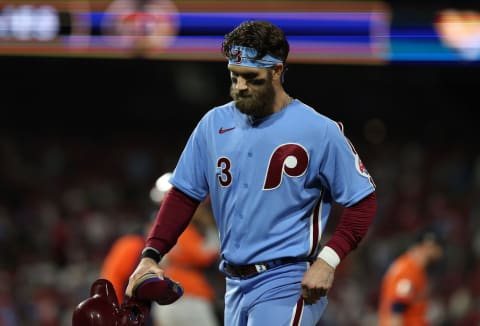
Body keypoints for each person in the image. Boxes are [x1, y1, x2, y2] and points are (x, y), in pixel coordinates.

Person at [126, 19, 377, 326]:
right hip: (233, 284)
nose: (240, 86)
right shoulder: (213, 123)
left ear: (277, 71)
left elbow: (362, 201)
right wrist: (150, 256)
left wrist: (328, 259)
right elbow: (183, 194)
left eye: (251, 77)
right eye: (235, 76)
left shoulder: (318, 130)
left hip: (288, 281)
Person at [378, 228, 445, 326]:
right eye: (438, 247)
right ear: (428, 247)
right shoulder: (408, 269)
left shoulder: (415, 268)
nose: (440, 252)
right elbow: (397, 308)